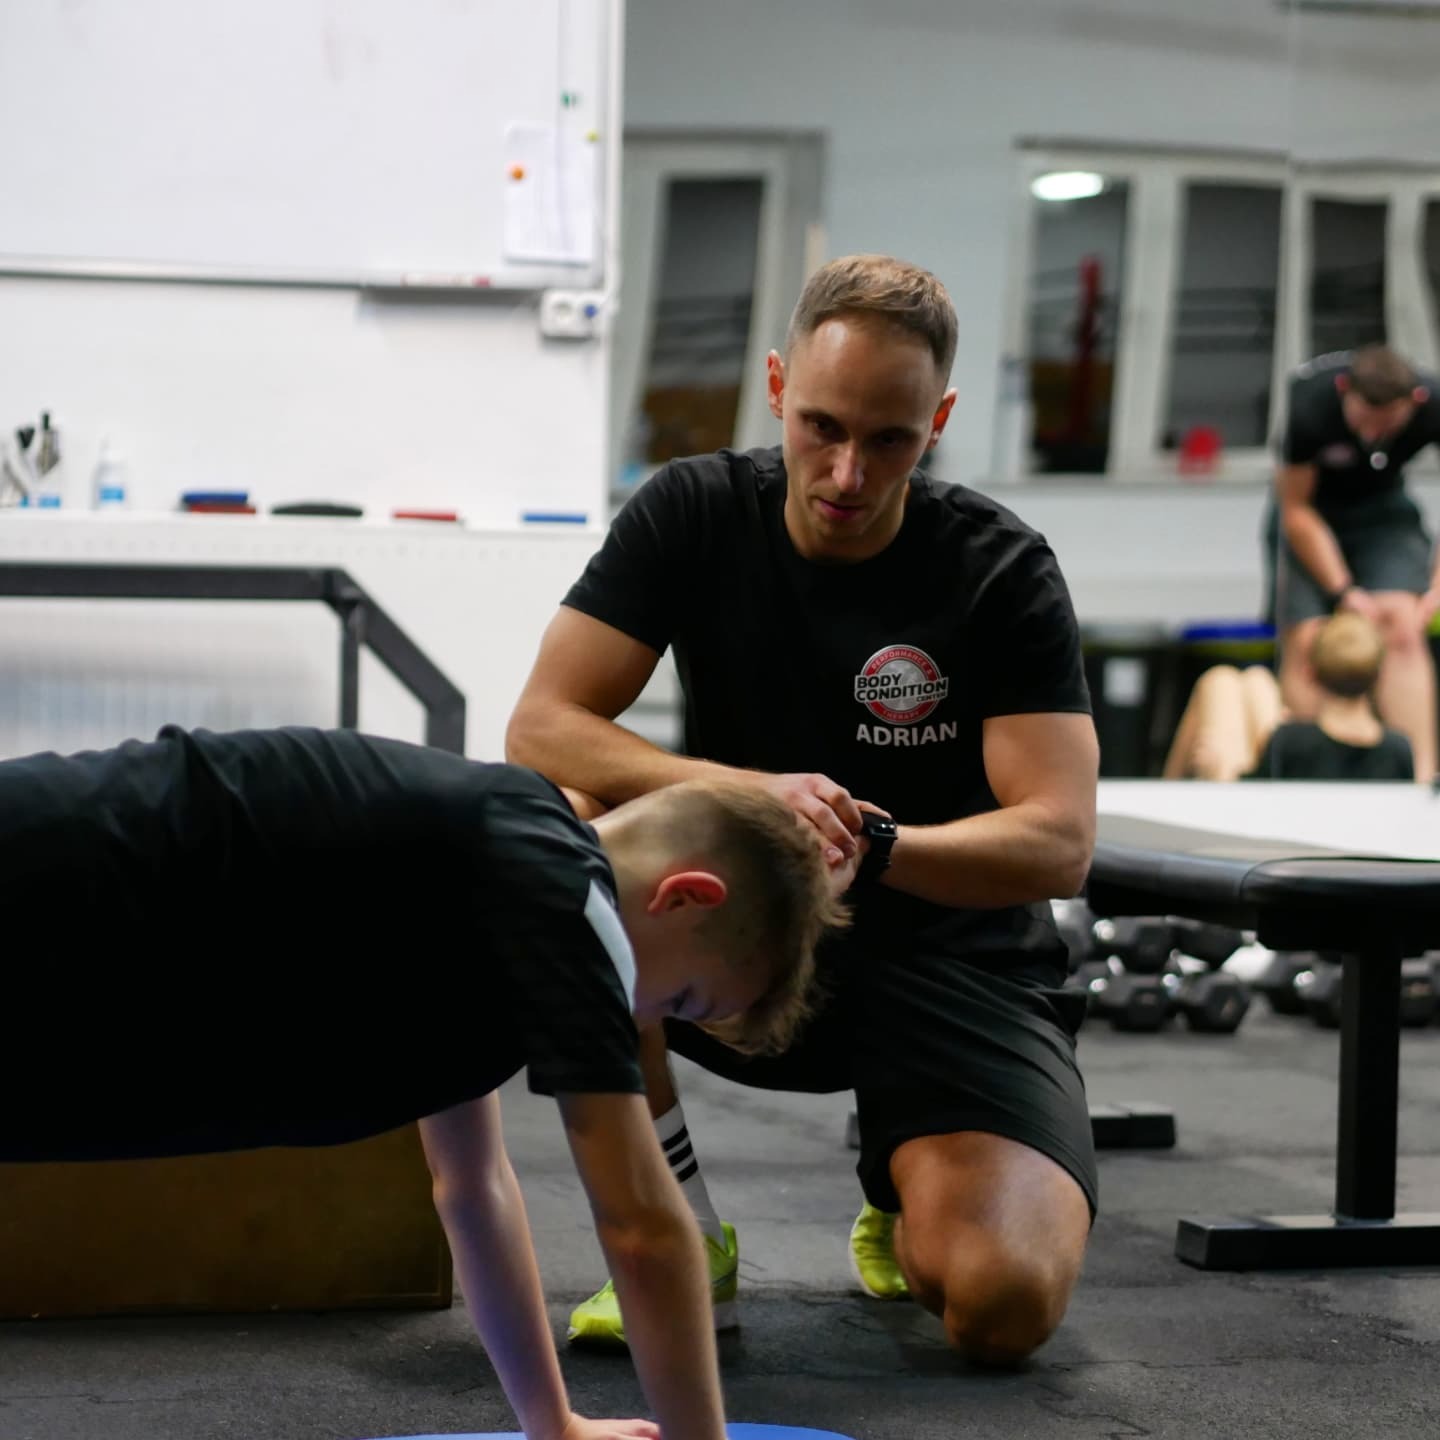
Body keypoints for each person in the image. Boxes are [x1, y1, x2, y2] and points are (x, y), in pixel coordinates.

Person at [507, 254, 1101, 1367]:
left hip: (946, 952)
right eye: (821, 425)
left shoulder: (999, 569)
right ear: (777, 386)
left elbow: (1060, 842)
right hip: (741, 929)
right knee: (566, 823)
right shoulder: (691, 512)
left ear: (940, 423)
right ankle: (681, 1230)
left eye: (890, 440)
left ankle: (903, 1174)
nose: (845, 472)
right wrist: (753, 796)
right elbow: (543, 726)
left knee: (1000, 1306)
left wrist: (874, 845)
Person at [0, 724, 847, 1440]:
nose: (647, 1019)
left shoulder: (482, 902)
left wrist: (553, 1424)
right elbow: (642, 1227)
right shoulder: (556, 882)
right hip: (49, 889)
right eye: (682, 997)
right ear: (685, 898)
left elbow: (474, 1188)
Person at [1269, 345, 1440, 783]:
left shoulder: (1434, 403)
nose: (1373, 431)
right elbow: (1296, 510)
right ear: (1346, 390)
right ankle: (1307, 776)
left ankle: (1418, 779)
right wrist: (1343, 591)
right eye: (1364, 418)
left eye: (1388, 423)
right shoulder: (1310, 404)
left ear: (1414, 401)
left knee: (1401, 626)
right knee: (1312, 639)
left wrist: (1436, 585)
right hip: (1312, 512)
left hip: (1382, 510)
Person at [1162, 612, 1414, 782]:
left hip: (1266, 832)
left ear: (1309, 673)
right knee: (1256, 680)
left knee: (1219, 681)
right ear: (1379, 676)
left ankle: (1169, 790)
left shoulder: (1291, 741)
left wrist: (1213, 768)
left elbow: (1251, 794)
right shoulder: (1399, 749)